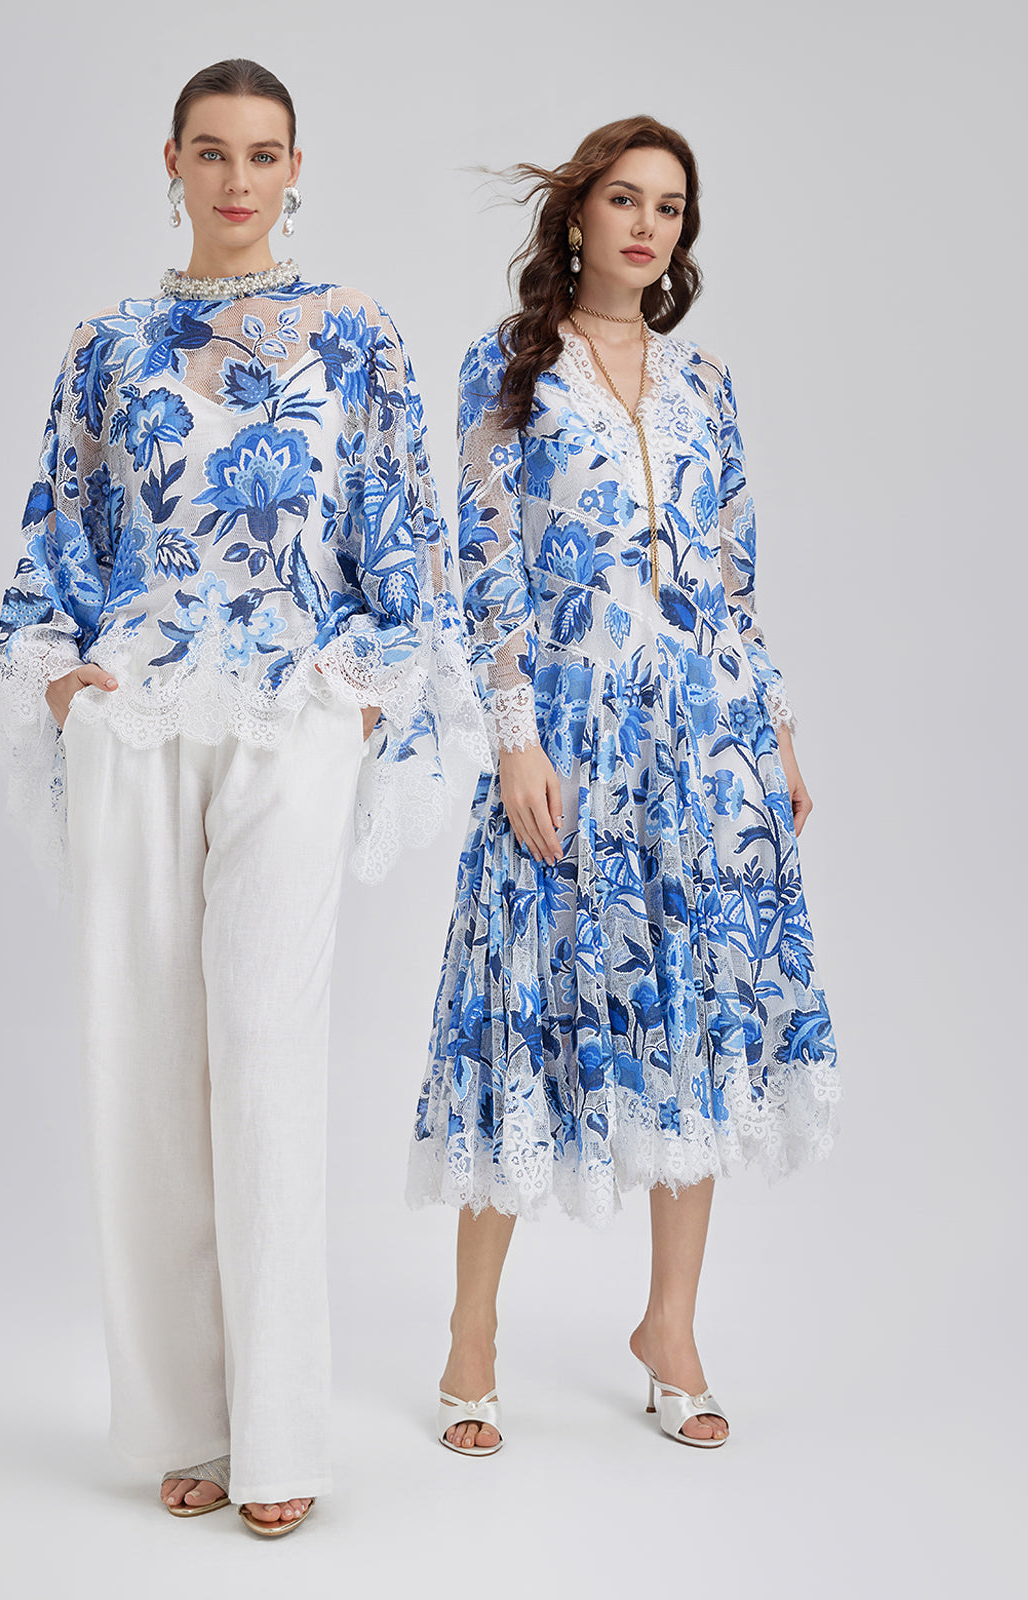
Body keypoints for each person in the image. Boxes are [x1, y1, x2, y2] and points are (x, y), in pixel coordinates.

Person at [0, 58, 481, 1534]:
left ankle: (280, 1442)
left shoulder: (358, 335)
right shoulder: (106, 345)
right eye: (210, 152)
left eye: (262, 154)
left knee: (265, 1058)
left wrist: (361, 696)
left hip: (290, 722)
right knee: (144, 1072)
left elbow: (408, 548)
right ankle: (188, 1426)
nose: (236, 180)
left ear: (295, 169)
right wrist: (66, 683)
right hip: (141, 720)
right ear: (171, 163)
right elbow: (57, 535)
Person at [410, 116, 839, 1455]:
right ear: (579, 215)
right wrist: (514, 738)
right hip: (572, 737)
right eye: (626, 199)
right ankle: (470, 1334)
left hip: (705, 743)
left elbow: (734, 575)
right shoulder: (510, 365)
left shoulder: (707, 382)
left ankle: (672, 1327)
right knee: (525, 1001)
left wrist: (775, 733)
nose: (650, 225)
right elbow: (482, 568)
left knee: (693, 1011)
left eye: (671, 207)